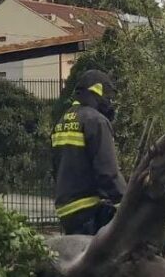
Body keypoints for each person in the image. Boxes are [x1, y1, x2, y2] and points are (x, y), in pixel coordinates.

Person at [51, 69, 127, 235]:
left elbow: (55, 167)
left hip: (66, 211)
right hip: (89, 210)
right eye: (108, 97)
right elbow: (108, 173)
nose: (109, 102)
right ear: (96, 92)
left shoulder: (62, 121)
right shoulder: (96, 121)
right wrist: (126, 202)